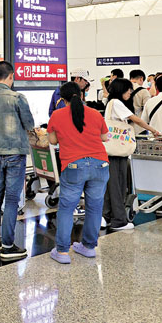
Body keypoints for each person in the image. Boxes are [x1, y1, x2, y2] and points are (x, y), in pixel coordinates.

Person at [47, 81, 111, 264]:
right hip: (100, 164)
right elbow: (104, 137)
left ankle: (62, 252)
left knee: (67, 208)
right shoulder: (94, 113)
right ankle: (88, 247)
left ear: (62, 99)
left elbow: (52, 140)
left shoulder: (57, 115)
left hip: (73, 165)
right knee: (95, 207)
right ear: (81, 95)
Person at [0, 61, 35, 260]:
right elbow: (29, 123)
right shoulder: (17, 98)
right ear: (11, 76)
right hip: (15, 153)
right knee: (11, 200)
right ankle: (8, 246)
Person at [104, 78, 159, 231]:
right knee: (118, 185)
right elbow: (136, 120)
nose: (130, 92)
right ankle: (119, 220)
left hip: (111, 150)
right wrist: (153, 130)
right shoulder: (116, 103)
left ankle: (107, 216)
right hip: (117, 151)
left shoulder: (110, 103)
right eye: (128, 89)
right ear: (121, 89)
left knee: (112, 185)